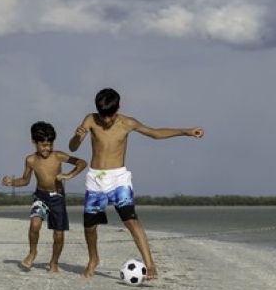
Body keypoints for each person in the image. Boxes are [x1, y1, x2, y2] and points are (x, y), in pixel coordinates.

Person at [68, 87, 204, 279]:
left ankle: (150, 264)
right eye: (103, 115)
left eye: (110, 116)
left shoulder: (127, 123)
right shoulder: (90, 119)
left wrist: (186, 131)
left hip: (119, 179)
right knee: (90, 226)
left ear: (118, 109)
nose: (106, 120)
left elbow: (154, 133)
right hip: (96, 179)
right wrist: (76, 136)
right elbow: (73, 147)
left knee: (131, 221)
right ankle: (93, 259)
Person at [1, 121, 87, 273]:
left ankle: (54, 262)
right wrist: (12, 182)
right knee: (34, 225)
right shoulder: (30, 160)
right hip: (40, 196)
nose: (47, 148)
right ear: (35, 143)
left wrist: (69, 175)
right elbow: (25, 181)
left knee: (58, 234)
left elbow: (82, 163)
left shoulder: (58, 156)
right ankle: (32, 252)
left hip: (57, 197)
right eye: (43, 145)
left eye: (50, 144)